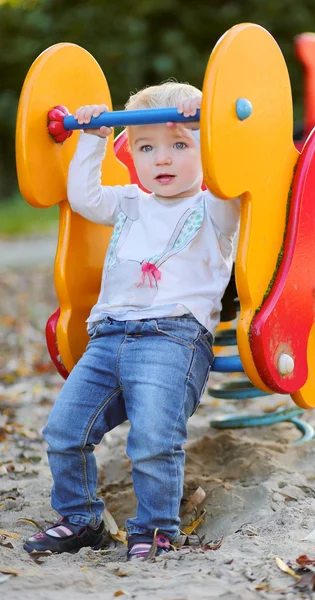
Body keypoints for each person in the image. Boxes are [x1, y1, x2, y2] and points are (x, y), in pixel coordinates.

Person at [23, 81, 240, 560]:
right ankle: (81, 519)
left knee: (154, 440)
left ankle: (156, 528)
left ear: (204, 149)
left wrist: (211, 125)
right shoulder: (128, 203)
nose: (162, 160)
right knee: (65, 432)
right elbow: (83, 197)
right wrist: (93, 136)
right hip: (108, 337)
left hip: (173, 339)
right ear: (132, 153)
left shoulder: (214, 208)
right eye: (147, 148)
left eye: (180, 145)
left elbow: (232, 175)